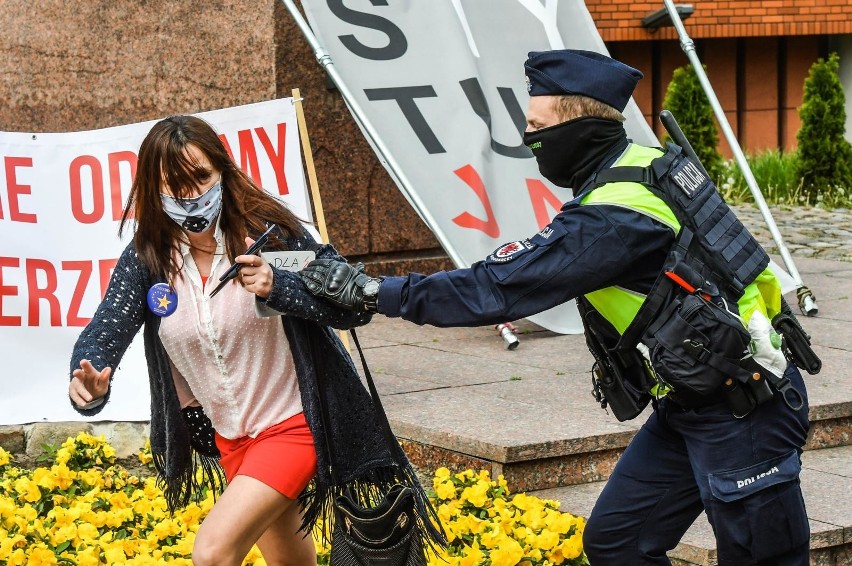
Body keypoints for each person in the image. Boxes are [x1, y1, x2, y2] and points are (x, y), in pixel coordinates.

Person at [298, 50, 812, 565]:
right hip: (695, 399)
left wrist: (371, 291)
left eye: (537, 125)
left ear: (582, 125)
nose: (528, 138)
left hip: (745, 409)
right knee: (619, 541)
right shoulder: (644, 166)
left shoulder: (614, 216)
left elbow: (499, 286)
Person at [67, 115, 437, 566]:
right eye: (174, 184)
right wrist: (87, 382)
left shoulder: (269, 233)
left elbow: (352, 301)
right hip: (232, 437)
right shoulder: (149, 257)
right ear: (152, 188)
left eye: (200, 177)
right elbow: (106, 330)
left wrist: (278, 284)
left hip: (295, 423)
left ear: (223, 170)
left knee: (213, 552)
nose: (190, 196)